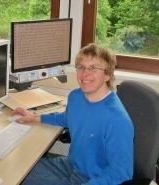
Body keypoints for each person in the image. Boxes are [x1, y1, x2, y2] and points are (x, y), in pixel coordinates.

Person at [12, 43, 134, 185]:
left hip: (95, 179)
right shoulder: (76, 96)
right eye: (81, 67)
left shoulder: (117, 119)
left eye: (93, 68)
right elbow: (67, 118)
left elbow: (121, 174)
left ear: (107, 75)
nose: (85, 74)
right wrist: (34, 117)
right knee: (18, 173)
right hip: (71, 166)